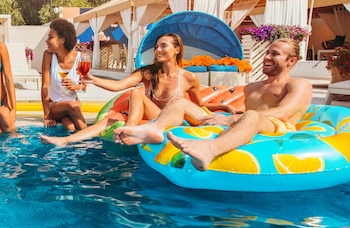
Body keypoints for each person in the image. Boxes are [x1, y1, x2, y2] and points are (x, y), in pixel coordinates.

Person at [113, 38, 313, 171]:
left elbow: (283, 113)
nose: (267, 57)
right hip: (243, 123)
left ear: (291, 61)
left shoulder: (299, 84)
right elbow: (244, 114)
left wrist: (234, 118)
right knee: (179, 101)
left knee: (253, 116)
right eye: (267, 52)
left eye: (275, 54)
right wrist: (225, 114)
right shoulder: (252, 87)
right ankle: (153, 130)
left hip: (276, 128)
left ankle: (209, 150)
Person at [40, 33, 235, 146]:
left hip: (174, 118)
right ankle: (64, 141)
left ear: (177, 49)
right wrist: (91, 79)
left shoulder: (188, 78)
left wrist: (223, 107)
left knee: (147, 97)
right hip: (154, 117)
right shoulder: (148, 73)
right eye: (156, 46)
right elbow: (117, 86)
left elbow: (199, 104)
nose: (158, 50)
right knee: (114, 115)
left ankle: (130, 130)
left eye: (163, 46)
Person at [41, 18, 88, 131]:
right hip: (55, 105)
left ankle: (76, 145)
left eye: (50, 37)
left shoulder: (82, 57)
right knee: (72, 106)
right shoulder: (48, 56)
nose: (46, 41)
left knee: (70, 127)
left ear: (62, 40)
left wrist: (75, 86)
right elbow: (45, 87)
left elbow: (84, 86)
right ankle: (90, 140)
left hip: (74, 102)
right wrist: (47, 115)